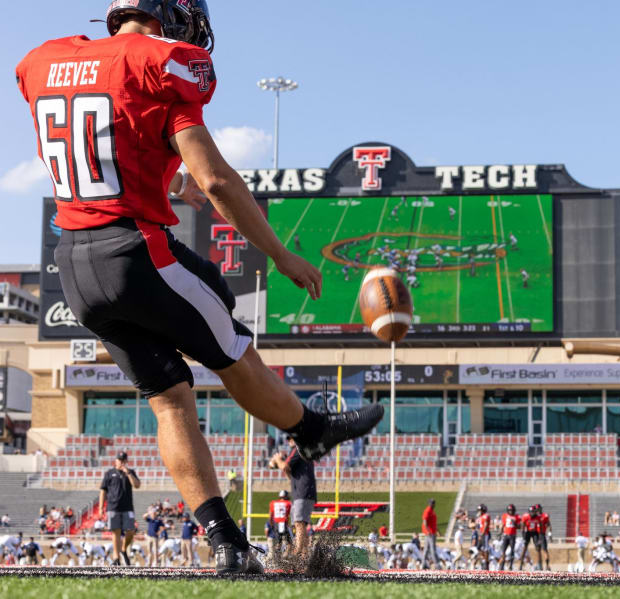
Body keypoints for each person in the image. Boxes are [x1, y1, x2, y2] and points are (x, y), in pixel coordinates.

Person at [15, 0, 383, 577]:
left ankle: (227, 542)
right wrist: (280, 254)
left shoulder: (46, 59)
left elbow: (106, 134)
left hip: (75, 265)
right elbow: (217, 179)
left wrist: (170, 178)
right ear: (171, 14)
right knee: (231, 346)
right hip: (135, 251)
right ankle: (310, 432)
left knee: (171, 399)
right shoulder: (162, 61)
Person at [270, 439, 317, 558]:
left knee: (299, 524)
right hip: (304, 493)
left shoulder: (298, 448)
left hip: (303, 493)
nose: (288, 441)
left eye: (290, 438)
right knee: (301, 525)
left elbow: (284, 465)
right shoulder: (301, 452)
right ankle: (304, 557)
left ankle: (296, 555)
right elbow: (289, 474)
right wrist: (279, 463)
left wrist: (277, 460)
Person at [99, 451, 140, 565]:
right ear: (115, 460)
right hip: (113, 507)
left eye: (123, 460)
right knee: (115, 532)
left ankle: (123, 549)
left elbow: (137, 485)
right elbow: (103, 490)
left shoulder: (130, 472)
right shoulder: (109, 473)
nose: (121, 462)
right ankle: (116, 558)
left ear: (126, 461)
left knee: (131, 531)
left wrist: (128, 474)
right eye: (119, 460)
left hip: (127, 507)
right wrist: (101, 507)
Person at [267, 489, 293, 559]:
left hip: (276, 524)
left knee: (278, 543)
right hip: (284, 523)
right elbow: (290, 515)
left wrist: (272, 525)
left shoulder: (273, 503)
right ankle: (285, 556)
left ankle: (277, 558)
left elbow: (270, 516)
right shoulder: (288, 503)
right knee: (290, 543)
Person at [499, 504, 520, 571]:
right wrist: (500, 533)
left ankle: (511, 565)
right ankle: (502, 565)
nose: (511, 512)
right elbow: (502, 525)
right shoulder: (505, 516)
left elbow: (519, 527)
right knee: (503, 551)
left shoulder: (516, 516)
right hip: (506, 535)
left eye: (512, 510)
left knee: (512, 551)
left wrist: (515, 523)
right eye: (510, 510)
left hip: (512, 536)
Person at [519, 505, 541, 571]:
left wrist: (540, 535)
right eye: (531, 512)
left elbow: (540, 526)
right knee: (524, 548)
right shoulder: (525, 516)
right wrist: (523, 534)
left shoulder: (537, 517)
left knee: (537, 547)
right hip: (527, 532)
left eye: (533, 512)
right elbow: (522, 525)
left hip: (535, 533)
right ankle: (520, 564)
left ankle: (539, 565)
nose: (532, 513)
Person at [421, 498, 440, 570]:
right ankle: (437, 564)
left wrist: (437, 531)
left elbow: (433, 523)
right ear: (429, 503)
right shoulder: (427, 510)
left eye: (434, 503)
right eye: (432, 503)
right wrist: (428, 531)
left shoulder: (432, 511)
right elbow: (425, 522)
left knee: (426, 549)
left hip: (432, 532)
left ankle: (423, 564)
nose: (433, 504)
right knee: (432, 549)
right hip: (430, 533)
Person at [536, 504, 553, 570]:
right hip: (536, 535)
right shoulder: (534, 516)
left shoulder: (544, 516)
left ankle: (547, 565)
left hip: (542, 534)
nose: (537, 511)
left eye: (538, 509)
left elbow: (549, 525)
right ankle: (540, 566)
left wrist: (549, 534)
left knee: (544, 550)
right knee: (538, 550)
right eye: (536, 509)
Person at [475, 504, 491, 570]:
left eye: (480, 510)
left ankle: (486, 563)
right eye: (478, 510)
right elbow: (478, 527)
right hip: (481, 534)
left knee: (486, 548)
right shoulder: (480, 517)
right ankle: (484, 559)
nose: (479, 511)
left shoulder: (486, 516)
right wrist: (479, 534)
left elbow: (486, 525)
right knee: (478, 548)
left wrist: (482, 534)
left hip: (485, 534)